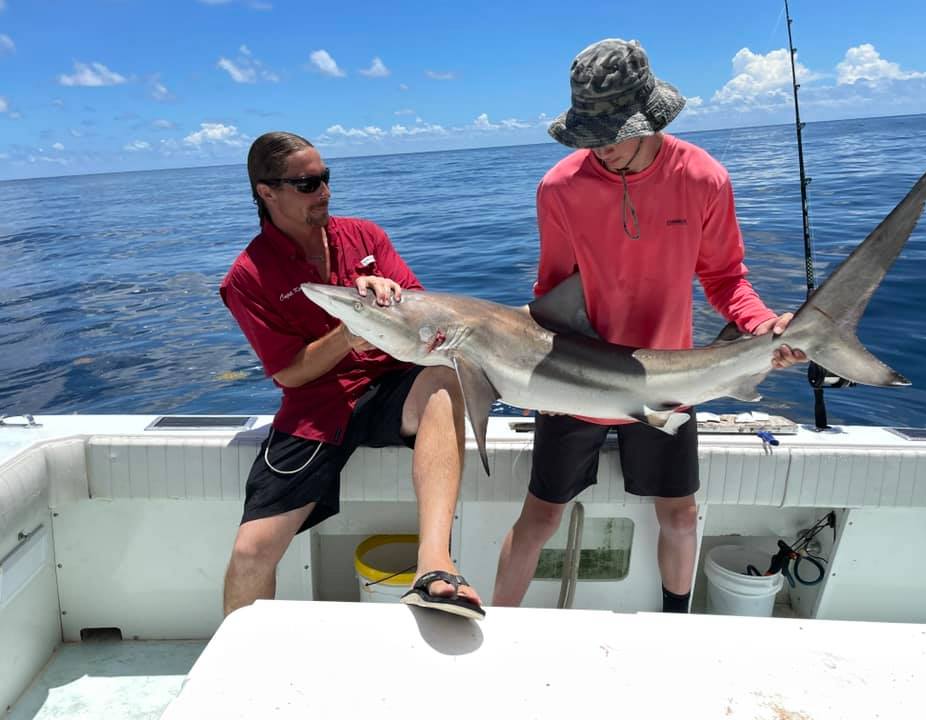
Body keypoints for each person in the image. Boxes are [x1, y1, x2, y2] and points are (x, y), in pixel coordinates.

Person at [492, 39, 806, 613]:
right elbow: (551, 297)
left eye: (611, 133)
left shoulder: (703, 177)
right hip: (577, 377)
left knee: (681, 513)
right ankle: (497, 626)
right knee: (540, 515)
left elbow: (725, 277)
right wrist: (542, 381)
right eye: (589, 135)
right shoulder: (559, 187)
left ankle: (675, 622)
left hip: (669, 378)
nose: (600, 150)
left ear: (649, 118)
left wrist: (762, 326)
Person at [220, 131, 483, 620]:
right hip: (318, 408)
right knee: (250, 552)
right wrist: (349, 332)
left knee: (446, 375)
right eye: (306, 183)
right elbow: (291, 374)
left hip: (392, 386)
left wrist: (394, 304)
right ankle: (235, 659)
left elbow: (430, 318)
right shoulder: (248, 276)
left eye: (325, 178)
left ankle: (435, 565)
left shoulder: (365, 237)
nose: (323, 191)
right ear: (266, 192)